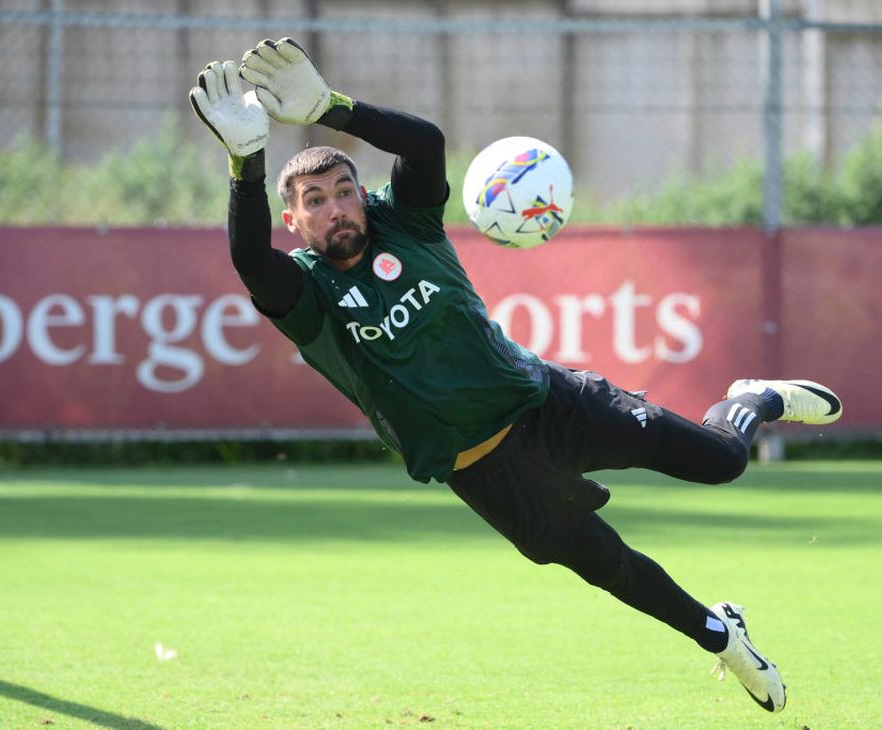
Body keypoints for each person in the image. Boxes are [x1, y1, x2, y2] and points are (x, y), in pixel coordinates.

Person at [190, 38, 844, 714]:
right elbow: (248, 259)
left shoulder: (405, 223)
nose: (336, 208)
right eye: (315, 201)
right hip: (484, 470)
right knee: (609, 568)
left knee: (723, 463)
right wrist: (246, 165)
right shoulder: (308, 294)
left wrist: (332, 107)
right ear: (293, 221)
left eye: (344, 191)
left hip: (550, 403)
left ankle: (752, 399)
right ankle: (723, 637)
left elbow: (425, 143)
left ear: (363, 195)